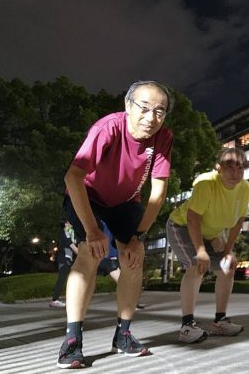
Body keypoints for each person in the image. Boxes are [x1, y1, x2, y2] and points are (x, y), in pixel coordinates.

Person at [56, 80, 174, 369]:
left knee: (134, 259)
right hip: (87, 195)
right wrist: (94, 231)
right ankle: (72, 339)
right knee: (89, 252)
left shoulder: (163, 137)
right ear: (127, 105)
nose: (151, 118)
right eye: (144, 108)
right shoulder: (108, 128)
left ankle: (123, 334)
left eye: (160, 111)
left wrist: (138, 237)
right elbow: (72, 177)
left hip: (125, 201)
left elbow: (157, 194)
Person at [166, 148, 249, 344]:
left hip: (211, 233)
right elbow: (193, 218)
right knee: (197, 266)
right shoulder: (206, 183)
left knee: (229, 265)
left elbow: (238, 221)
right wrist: (201, 251)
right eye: (229, 167)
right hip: (183, 226)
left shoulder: (244, 187)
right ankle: (187, 326)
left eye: (240, 168)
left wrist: (227, 251)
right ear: (218, 167)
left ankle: (220, 321)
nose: (235, 173)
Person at [50, 221, 79, 308]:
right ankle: (54, 300)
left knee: (69, 279)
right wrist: (81, 253)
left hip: (68, 260)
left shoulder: (69, 233)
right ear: (66, 223)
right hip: (64, 260)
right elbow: (71, 245)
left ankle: (58, 299)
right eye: (70, 223)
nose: (71, 224)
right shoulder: (65, 233)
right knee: (61, 279)